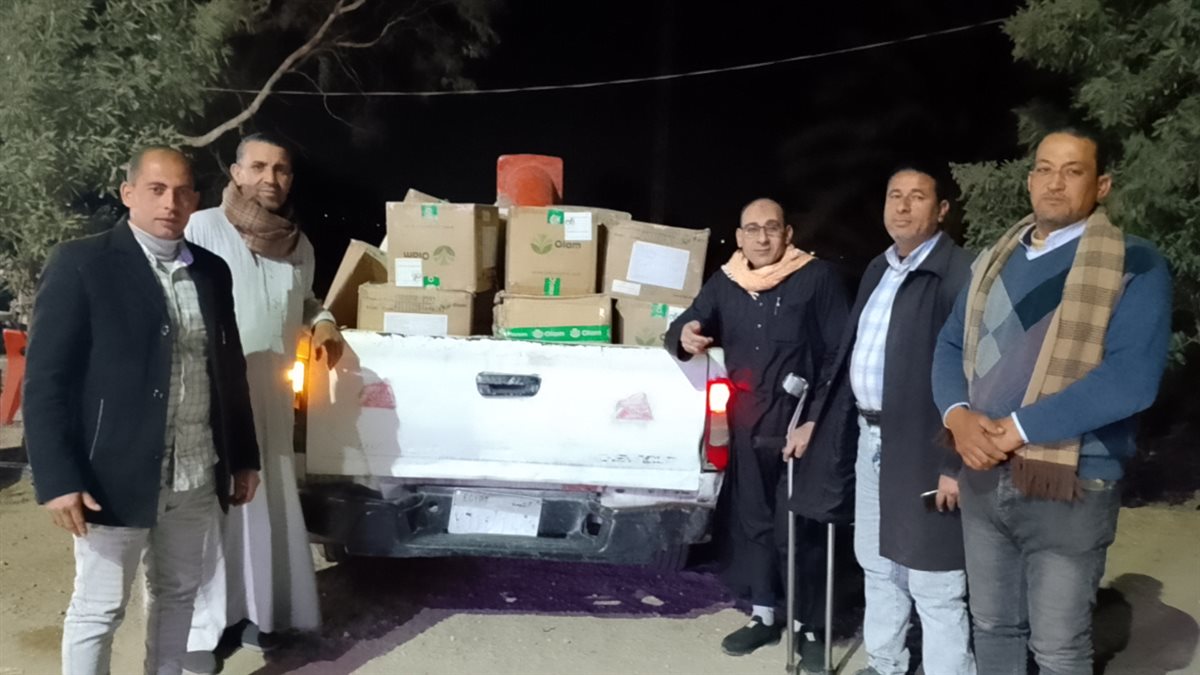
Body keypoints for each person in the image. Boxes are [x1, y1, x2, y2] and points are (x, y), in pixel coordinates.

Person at [932, 128, 1172, 674]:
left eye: (1073, 170)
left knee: (1059, 649)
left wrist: (1018, 428)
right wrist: (958, 417)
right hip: (983, 475)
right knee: (992, 628)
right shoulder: (994, 261)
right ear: (1029, 181)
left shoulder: (1133, 261)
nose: (1055, 182)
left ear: (1101, 185)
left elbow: (1132, 379)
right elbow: (949, 346)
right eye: (1044, 169)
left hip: (1072, 484)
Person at [23, 147, 261, 675]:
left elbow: (229, 370)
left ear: (195, 200)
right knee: (100, 608)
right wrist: (57, 479)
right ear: (128, 194)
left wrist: (244, 456)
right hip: (112, 476)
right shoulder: (83, 264)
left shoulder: (211, 272)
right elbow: (46, 382)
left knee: (178, 596)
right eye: (156, 190)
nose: (170, 203)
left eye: (181, 192)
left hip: (195, 472)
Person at [785, 165, 975, 675]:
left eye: (917, 197)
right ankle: (886, 664)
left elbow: (978, 374)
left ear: (941, 210)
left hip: (927, 447)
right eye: (895, 195)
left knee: (934, 580)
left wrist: (956, 463)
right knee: (878, 563)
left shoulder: (959, 273)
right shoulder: (879, 269)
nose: (903, 206)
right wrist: (816, 422)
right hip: (871, 440)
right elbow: (848, 356)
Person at [181, 133, 343, 672]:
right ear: (236, 173)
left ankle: (254, 613)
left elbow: (307, 300)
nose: (271, 178)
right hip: (213, 399)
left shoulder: (299, 245)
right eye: (259, 167)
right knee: (210, 511)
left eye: (282, 169)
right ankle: (199, 630)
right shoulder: (202, 229)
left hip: (270, 399)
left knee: (260, 509)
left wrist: (324, 322)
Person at [665, 198, 849, 669]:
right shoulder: (727, 282)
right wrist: (685, 335)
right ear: (740, 236)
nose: (762, 238)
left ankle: (810, 625)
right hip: (749, 427)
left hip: (800, 427)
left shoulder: (817, 278)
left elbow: (839, 354)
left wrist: (816, 421)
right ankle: (764, 614)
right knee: (755, 523)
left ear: (788, 234)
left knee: (800, 529)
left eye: (771, 228)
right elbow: (685, 323)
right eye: (753, 229)